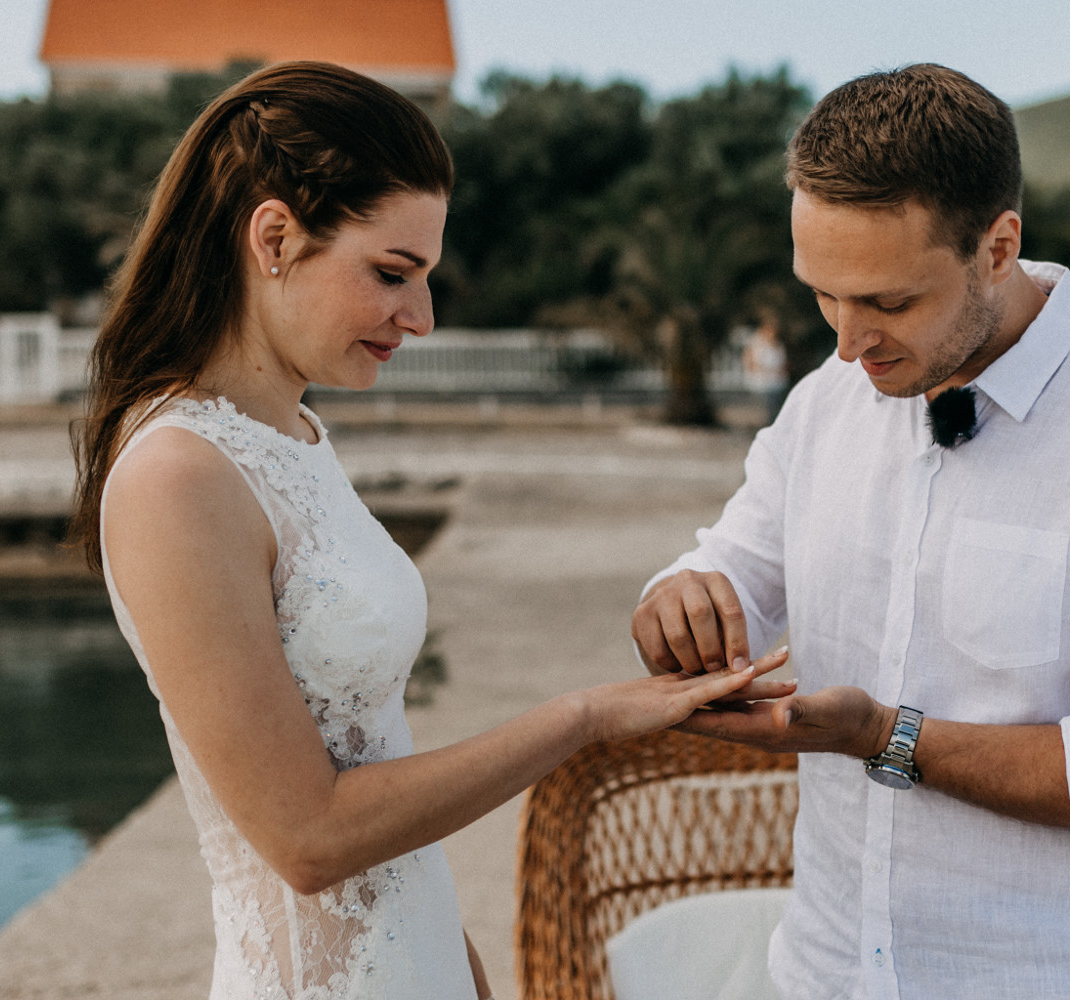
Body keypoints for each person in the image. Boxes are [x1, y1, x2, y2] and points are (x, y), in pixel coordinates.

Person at [67, 62, 789, 1000]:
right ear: (274, 237)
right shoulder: (178, 476)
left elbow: (374, 756)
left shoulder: (294, 434)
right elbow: (309, 837)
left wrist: (460, 964)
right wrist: (583, 717)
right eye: (392, 274)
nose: (422, 316)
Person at [631, 64, 1070, 999]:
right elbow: (732, 569)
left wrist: (888, 737)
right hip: (820, 973)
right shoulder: (823, 403)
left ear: (998, 246)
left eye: (889, 303)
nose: (848, 343)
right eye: (822, 295)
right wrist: (679, 596)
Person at [742, 314, 789, 424]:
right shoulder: (756, 344)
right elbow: (751, 362)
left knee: (775, 409)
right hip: (762, 383)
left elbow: (782, 363)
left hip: (777, 382)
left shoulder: (778, 345)